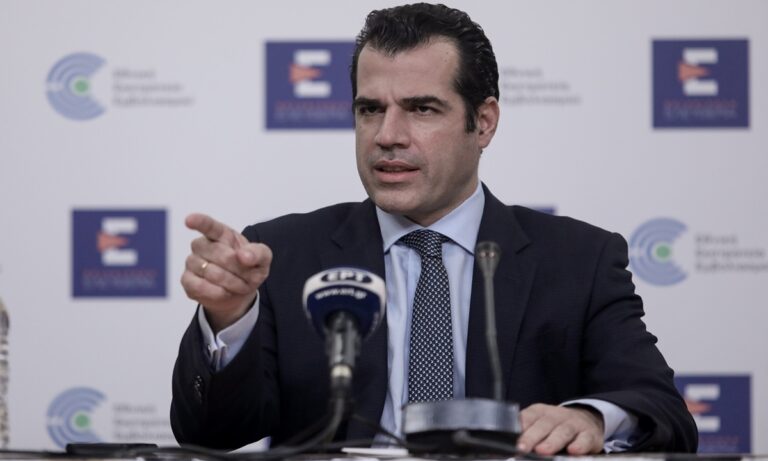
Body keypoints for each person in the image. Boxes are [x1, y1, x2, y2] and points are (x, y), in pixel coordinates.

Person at [171, 3, 697, 455]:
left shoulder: (579, 259)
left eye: (421, 109)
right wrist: (229, 317)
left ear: (483, 122)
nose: (387, 135)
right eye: (370, 110)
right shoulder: (283, 254)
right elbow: (210, 433)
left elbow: (663, 413)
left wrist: (591, 419)